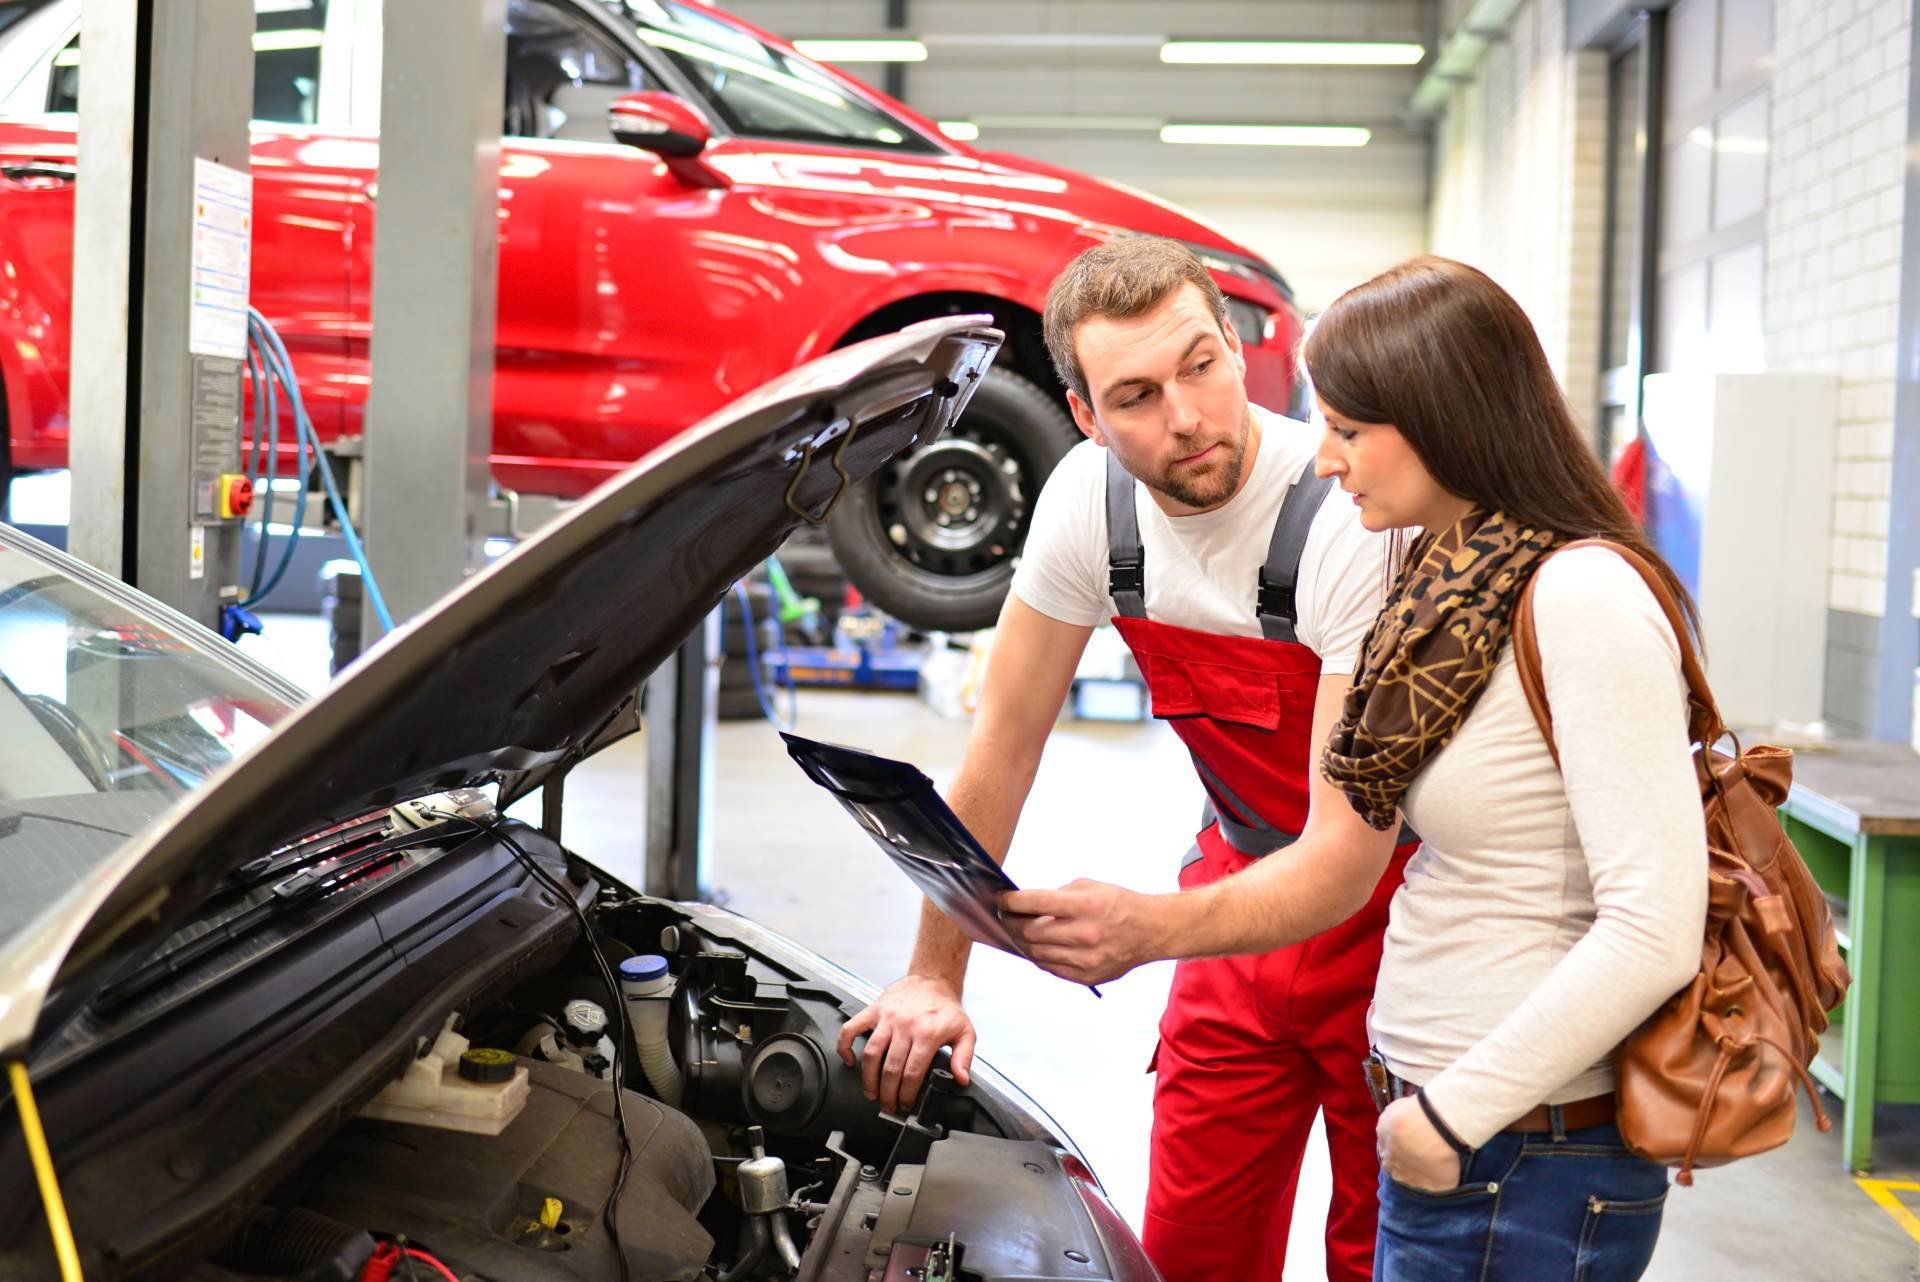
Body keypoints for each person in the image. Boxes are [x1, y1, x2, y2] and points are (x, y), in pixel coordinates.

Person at [1002, 254, 1709, 1281]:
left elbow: (1652, 923)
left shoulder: (1583, 597)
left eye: (1347, 430)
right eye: (1324, 424)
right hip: (1443, 1102)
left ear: (1442, 417)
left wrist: (1449, 1114)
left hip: (1508, 1133)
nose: (1322, 461)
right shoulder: (1455, 586)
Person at [834, 235, 1418, 1282]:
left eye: (1200, 365)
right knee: (1189, 1252)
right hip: (1236, 900)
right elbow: (999, 753)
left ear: (1239, 353)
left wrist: (1148, 928)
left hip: (1398, 915)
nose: (1186, 417)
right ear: (1086, 417)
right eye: (1138, 395)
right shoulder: (1088, 507)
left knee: (1384, 1252)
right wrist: (934, 974)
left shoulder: (1345, 521)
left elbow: (1345, 855)